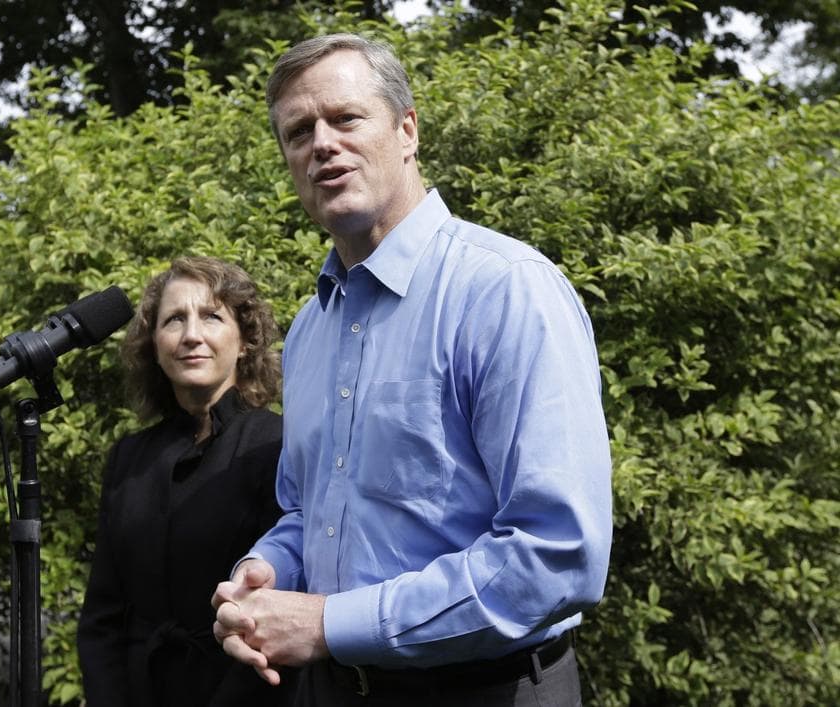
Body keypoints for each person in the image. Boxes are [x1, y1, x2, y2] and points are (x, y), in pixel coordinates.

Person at [211, 33, 613, 705]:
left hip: (488, 690)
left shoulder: (505, 291)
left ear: (407, 130)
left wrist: (327, 623)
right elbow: (311, 509)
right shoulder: (310, 329)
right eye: (299, 131)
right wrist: (268, 567)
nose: (322, 144)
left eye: (345, 118)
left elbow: (557, 556)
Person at [78, 256, 294, 706]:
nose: (192, 335)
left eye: (212, 316)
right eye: (174, 319)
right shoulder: (129, 459)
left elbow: (282, 609)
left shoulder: (276, 444)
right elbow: (102, 617)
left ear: (244, 342)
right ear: (153, 345)